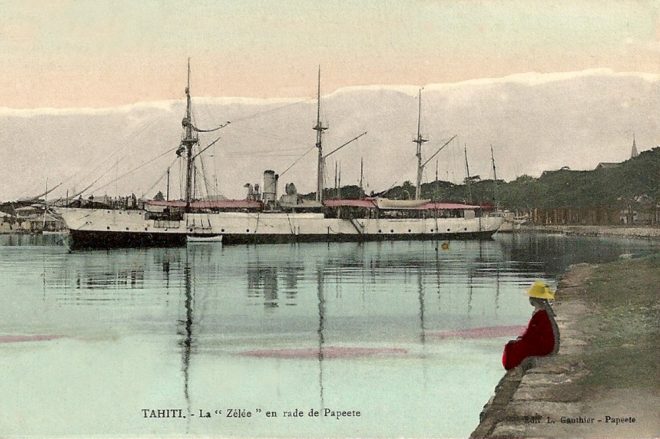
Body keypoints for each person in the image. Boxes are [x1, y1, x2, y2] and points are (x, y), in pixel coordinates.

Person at [502, 281, 560, 370]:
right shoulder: (543, 312)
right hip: (546, 343)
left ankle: (512, 367)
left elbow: (532, 334)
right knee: (516, 344)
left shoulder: (540, 314)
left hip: (545, 346)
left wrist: (521, 339)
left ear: (533, 299)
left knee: (511, 347)